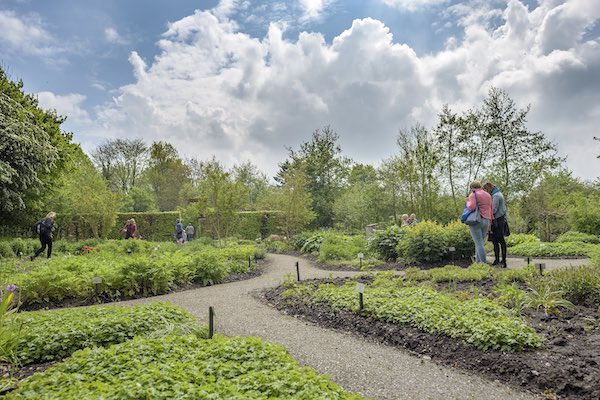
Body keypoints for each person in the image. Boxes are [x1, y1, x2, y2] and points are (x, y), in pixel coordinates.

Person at [465, 181, 494, 263]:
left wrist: (467, 201)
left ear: (472, 188)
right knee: (480, 242)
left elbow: (471, 207)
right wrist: (490, 221)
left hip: (476, 221)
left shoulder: (474, 194)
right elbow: (491, 209)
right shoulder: (488, 195)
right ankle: (478, 263)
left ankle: (483, 264)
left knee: (478, 243)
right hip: (487, 220)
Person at [484, 182, 508, 268]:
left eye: (486, 190)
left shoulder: (496, 196)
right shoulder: (497, 194)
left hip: (498, 220)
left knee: (499, 240)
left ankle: (502, 260)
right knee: (496, 241)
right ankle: (498, 259)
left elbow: (494, 209)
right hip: (499, 220)